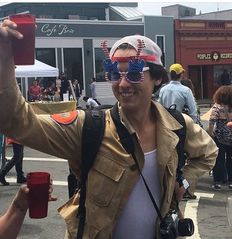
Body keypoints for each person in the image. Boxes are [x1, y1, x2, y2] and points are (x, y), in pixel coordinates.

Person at [0, 19, 217, 239]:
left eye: (134, 74)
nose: (123, 84)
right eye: (115, 74)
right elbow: (17, 124)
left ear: (158, 78)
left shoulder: (178, 125)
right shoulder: (88, 128)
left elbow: (209, 152)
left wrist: (184, 182)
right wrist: (4, 59)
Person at [208, 85, 232, 190]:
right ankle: (231, 182)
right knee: (231, 159)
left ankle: (217, 182)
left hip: (219, 137)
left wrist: (210, 134)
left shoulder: (217, 106)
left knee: (219, 159)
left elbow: (212, 120)